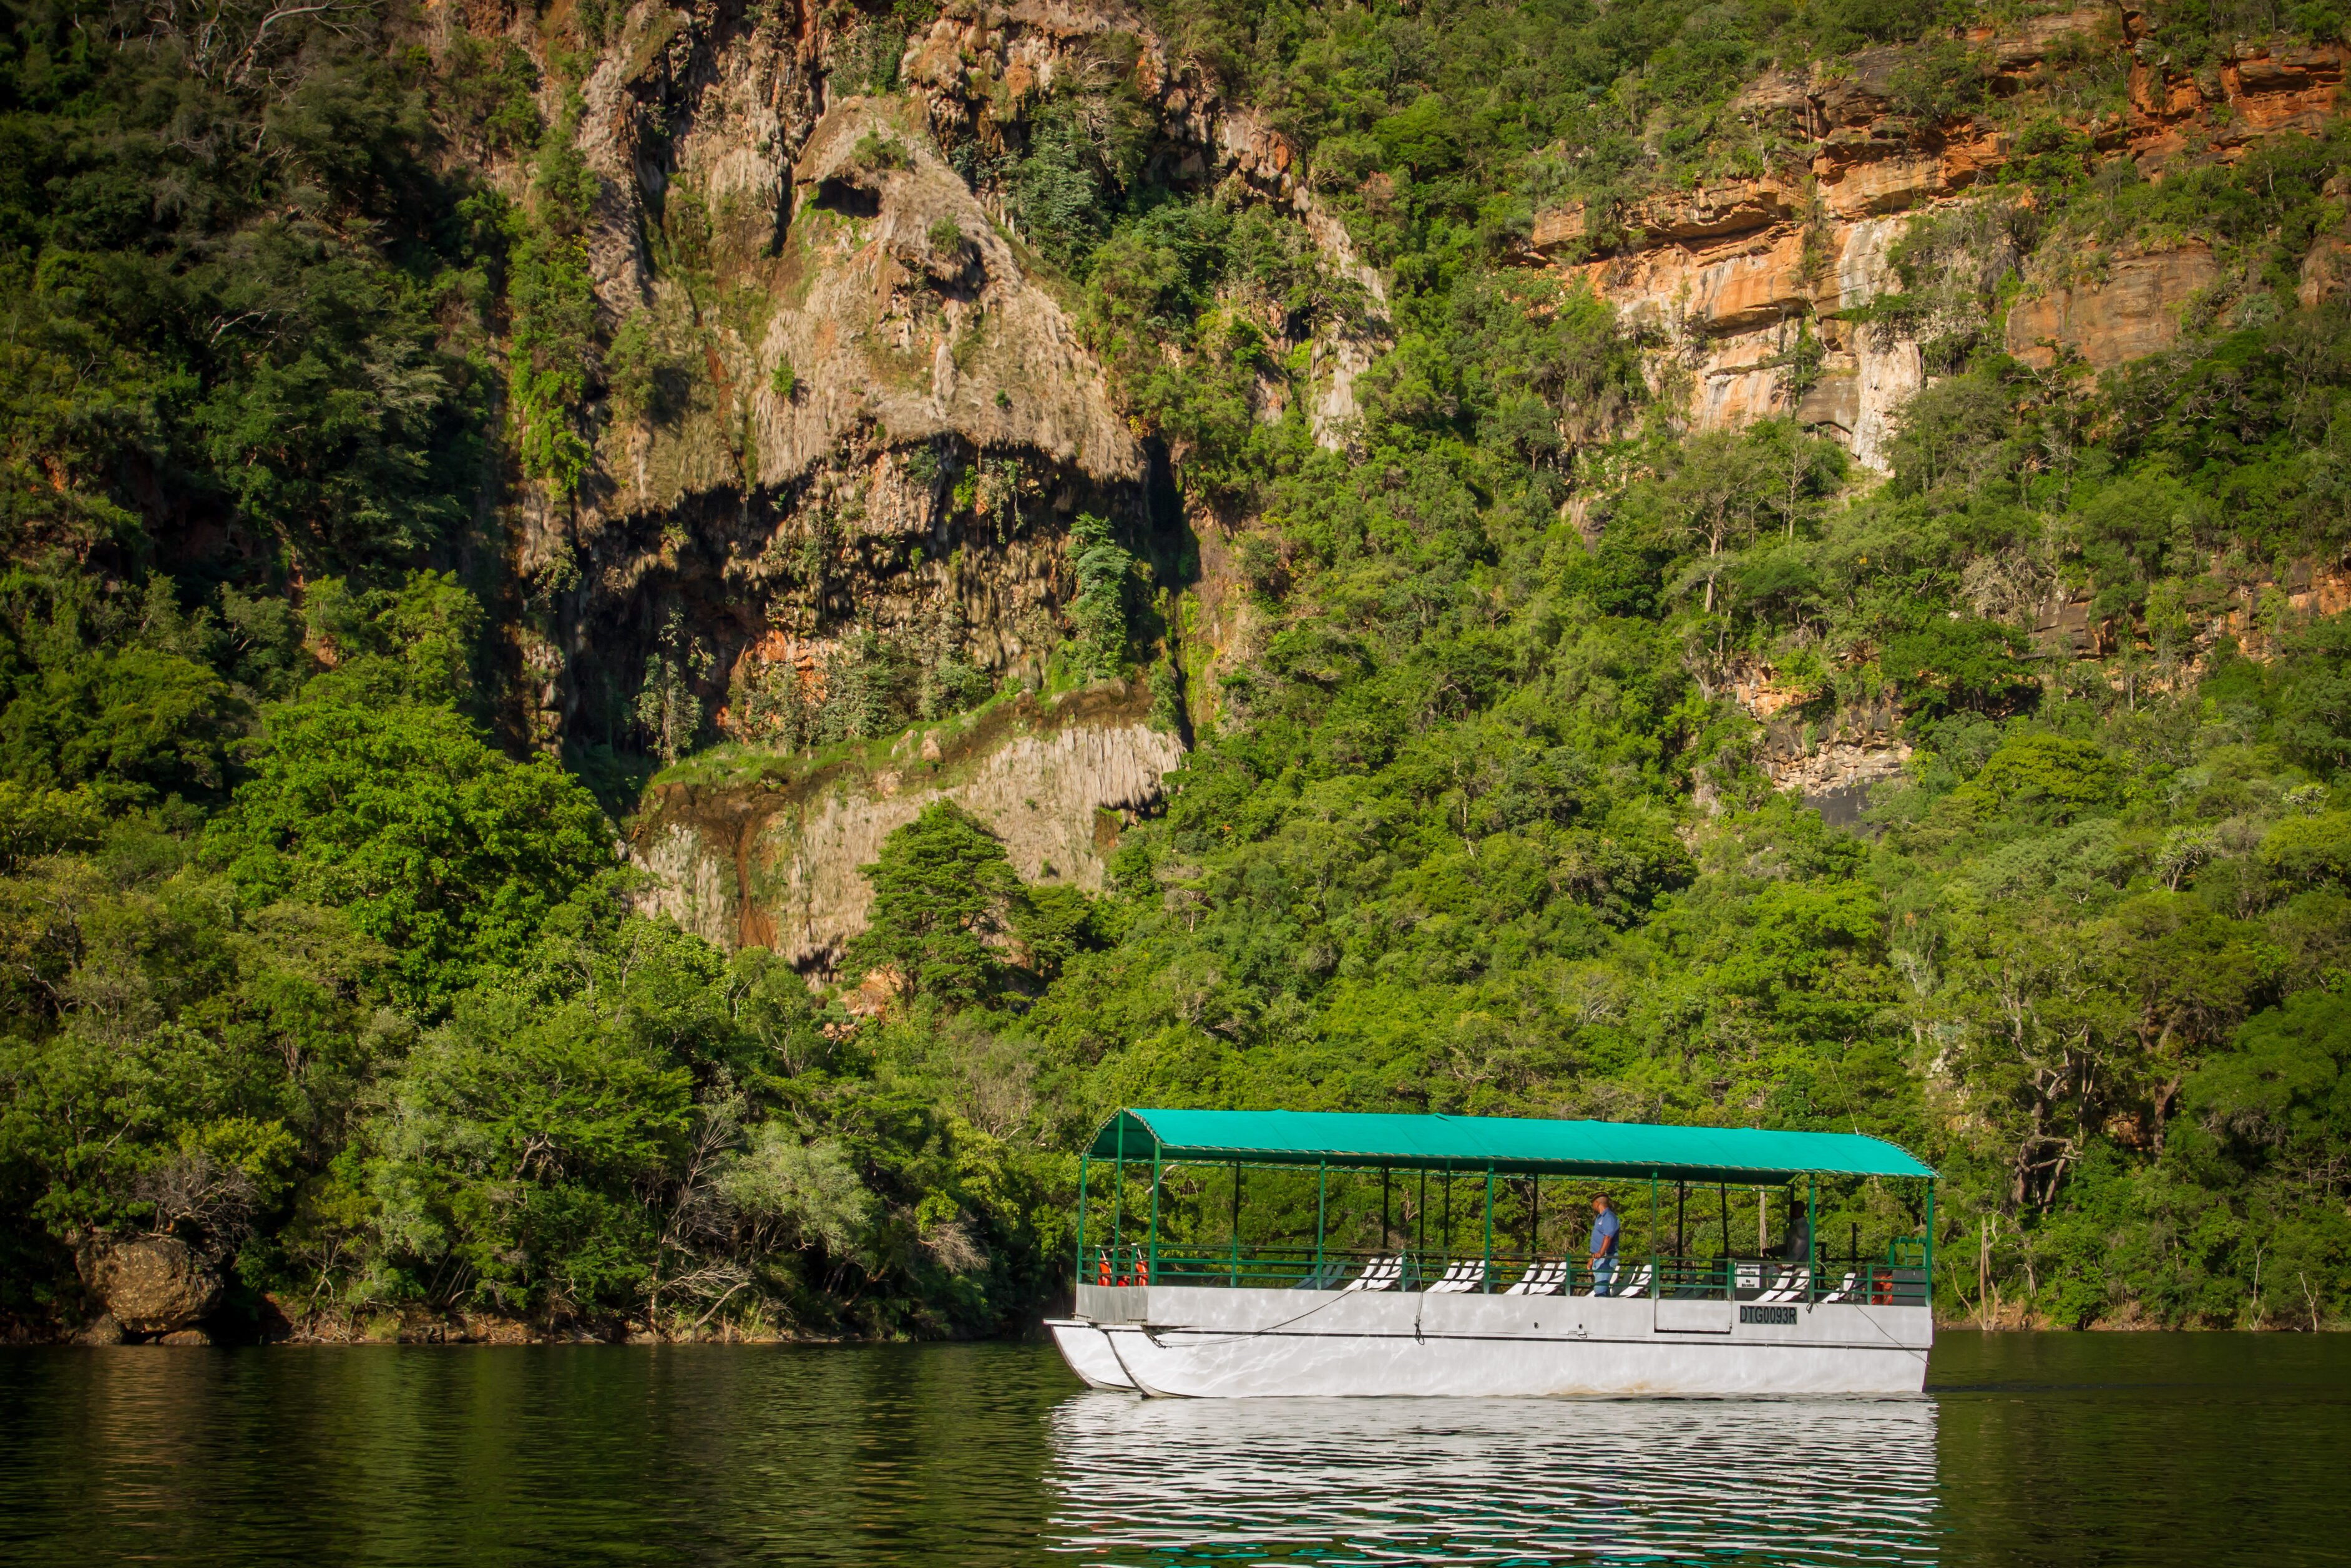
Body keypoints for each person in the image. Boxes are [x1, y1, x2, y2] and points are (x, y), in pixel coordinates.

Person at [1588, 1194, 1621, 1297]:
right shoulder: (1599, 1218)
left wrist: (1601, 1253)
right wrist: (1592, 1258)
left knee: (1600, 1289)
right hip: (1598, 1258)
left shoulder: (1609, 1217)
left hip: (1607, 1257)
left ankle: (1598, 1311)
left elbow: (1608, 1237)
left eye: (1593, 1203)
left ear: (1597, 1203)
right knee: (1603, 1289)